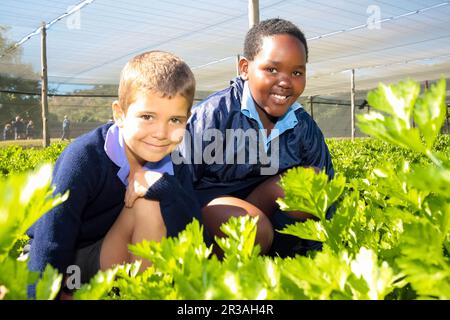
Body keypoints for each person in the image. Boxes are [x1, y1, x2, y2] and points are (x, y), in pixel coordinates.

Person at [27, 51, 204, 298]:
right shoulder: (84, 157)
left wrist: (165, 188)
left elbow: (194, 234)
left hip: (107, 255)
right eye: (147, 117)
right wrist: (43, 292)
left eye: (175, 119)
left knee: (151, 203)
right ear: (119, 114)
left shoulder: (176, 163)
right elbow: (52, 235)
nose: (162, 132)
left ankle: (137, 293)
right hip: (64, 260)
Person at [180, 18, 334, 258]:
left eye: (296, 72)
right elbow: (175, 185)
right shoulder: (213, 115)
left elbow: (328, 194)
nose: (285, 82)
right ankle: (221, 277)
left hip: (264, 217)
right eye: (272, 69)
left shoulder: (303, 126)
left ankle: (283, 257)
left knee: (312, 181)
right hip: (209, 219)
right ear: (244, 68)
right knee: (252, 230)